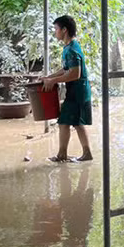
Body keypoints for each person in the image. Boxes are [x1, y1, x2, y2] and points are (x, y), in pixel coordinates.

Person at [42, 15, 93, 162]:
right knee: (74, 123)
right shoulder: (69, 47)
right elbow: (66, 69)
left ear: (64, 30)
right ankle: (80, 153)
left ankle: (66, 155)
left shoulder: (71, 49)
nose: (55, 32)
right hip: (76, 91)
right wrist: (49, 77)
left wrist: (53, 80)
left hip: (78, 92)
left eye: (56, 29)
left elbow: (75, 74)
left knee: (68, 122)